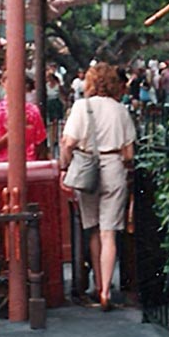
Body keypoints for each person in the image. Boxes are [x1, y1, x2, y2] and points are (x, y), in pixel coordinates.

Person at [59, 63, 136, 311]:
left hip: (87, 170)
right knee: (109, 231)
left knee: (92, 229)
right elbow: (129, 152)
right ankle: (106, 292)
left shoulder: (82, 107)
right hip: (113, 167)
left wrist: (65, 165)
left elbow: (69, 142)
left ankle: (98, 284)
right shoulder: (120, 110)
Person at [0, 75, 48, 163]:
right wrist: (15, 130)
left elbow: (40, 144)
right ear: (3, 84)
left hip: (20, 166)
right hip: (7, 166)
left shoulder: (33, 111)